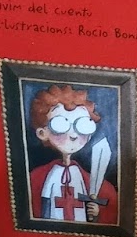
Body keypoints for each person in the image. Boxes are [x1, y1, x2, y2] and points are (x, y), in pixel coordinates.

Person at [28, 84, 118, 225]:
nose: (73, 135)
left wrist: (97, 213)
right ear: (42, 133)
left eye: (82, 125)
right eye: (60, 125)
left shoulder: (96, 185)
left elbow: (111, 210)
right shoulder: (36, 178)